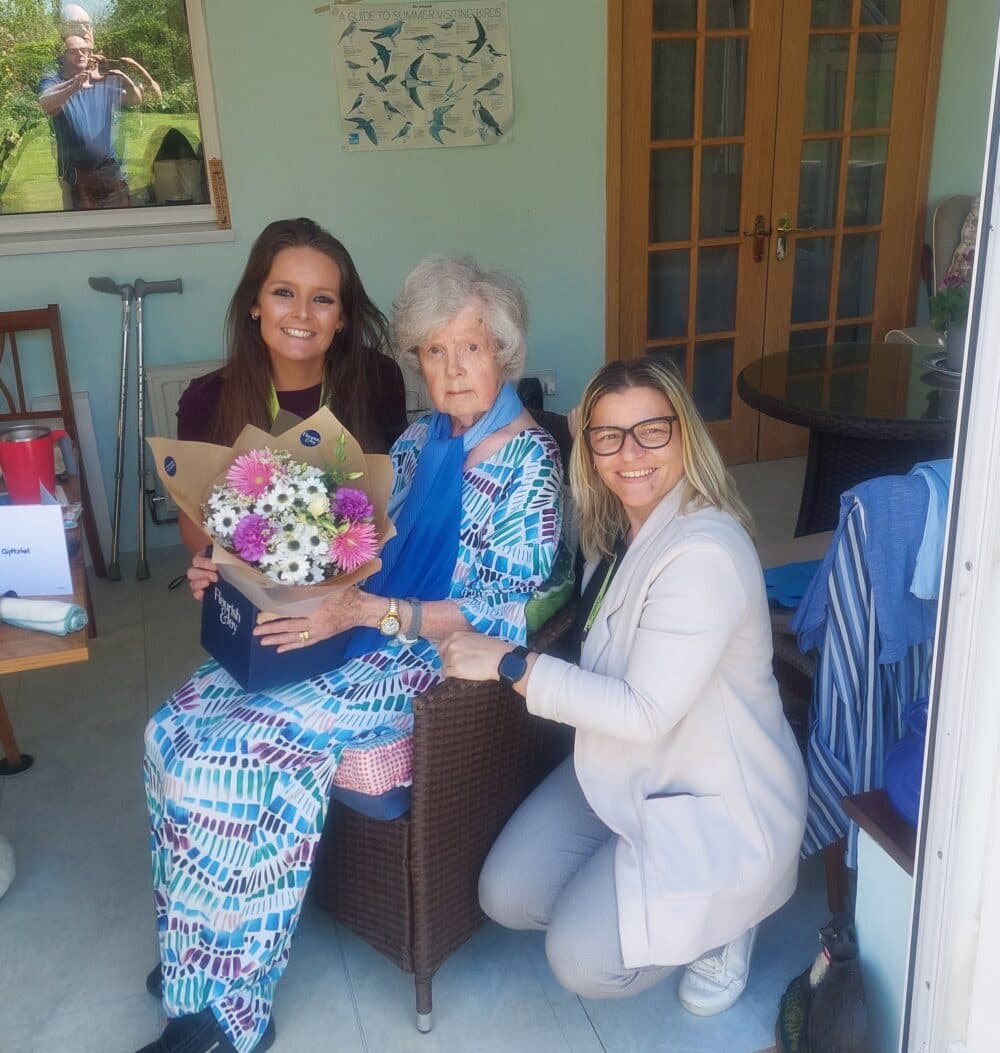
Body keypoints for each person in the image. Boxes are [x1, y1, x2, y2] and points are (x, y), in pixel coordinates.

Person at [138, 256, 563, 1053]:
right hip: (347, 624)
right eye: (432, 352)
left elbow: (510, 605)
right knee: (171, 728)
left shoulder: (529, 462)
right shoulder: (414, 440)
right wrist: (230, 567)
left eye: (468, 348)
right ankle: (194, 953)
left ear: (502, 350)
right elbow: (339, 544)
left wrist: (373, 612)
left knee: (225, 755)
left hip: (420, 657)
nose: (449, 371)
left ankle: (232, 1011)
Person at [441, 357, 808, 1016]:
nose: (629, 453)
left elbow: (643, 713)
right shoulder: (615, 529)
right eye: (607, 435)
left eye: (651, 431)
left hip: (712, 795)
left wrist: (510, 662)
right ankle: (633, 876)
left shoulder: (704, 553)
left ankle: (728, 920)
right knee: (508, 895)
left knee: (582, 960)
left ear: (686, 436)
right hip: (621, 766)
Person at [174, 217, 410, 556]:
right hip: (256, 593)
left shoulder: (378, 379)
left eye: (323, 299)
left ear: (341, 317)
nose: (302, 313)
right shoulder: (207, 398)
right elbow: (193, 516)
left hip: (363, 582)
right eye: (284, 293)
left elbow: (396, 491)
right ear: (255, 305)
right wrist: (215, 563)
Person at [37, 28, 144, 209]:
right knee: (84, 229)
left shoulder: (102, 80)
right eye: (73, 51)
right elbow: (45, 103)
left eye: (84, 50)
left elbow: (134, 99)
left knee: (122, 225)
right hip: (78, 173)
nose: (80, 54)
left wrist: (125, 78)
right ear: (62, 58)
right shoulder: (54, 81)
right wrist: (74, 85)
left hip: (110, 169)